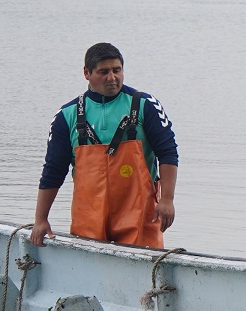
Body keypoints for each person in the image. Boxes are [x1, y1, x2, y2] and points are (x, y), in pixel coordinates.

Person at [32, 43, 178, 248]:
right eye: (103, 72)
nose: (112, 78)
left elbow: (168, 152)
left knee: (143, 270)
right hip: (88, 218)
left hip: (139, 214)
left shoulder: (146, 105)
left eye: (116, 70)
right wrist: (41, 219)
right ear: (86, 73)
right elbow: (53, 170)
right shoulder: (66, 115)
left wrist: (167, 200)